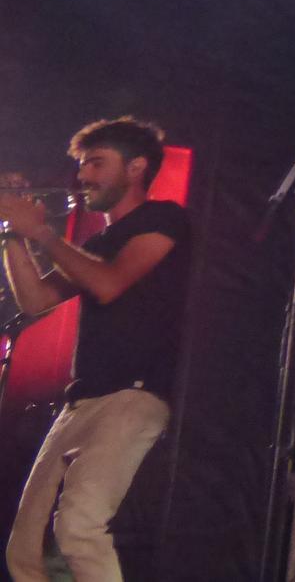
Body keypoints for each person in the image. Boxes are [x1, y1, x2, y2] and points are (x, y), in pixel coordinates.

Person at [0, 117, 192, 582]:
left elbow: (108, 285)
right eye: (83, 164)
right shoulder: (97, 241)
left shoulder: (162, 219)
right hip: (81, 400)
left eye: (96, 163)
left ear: (136, 167)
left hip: (133, 396)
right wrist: (14, 233)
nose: (83, 176)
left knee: (80, 525)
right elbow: (36, 300)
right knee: (24, 549)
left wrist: (44, 234)